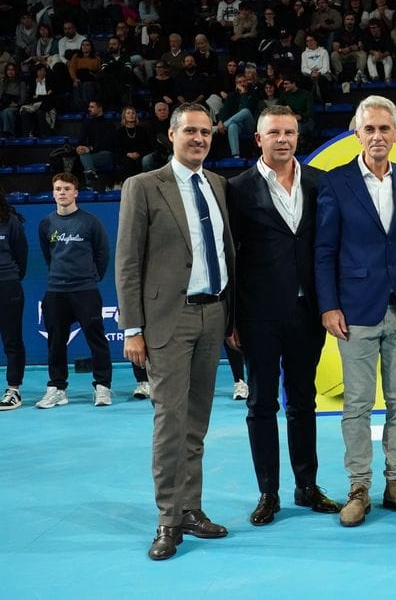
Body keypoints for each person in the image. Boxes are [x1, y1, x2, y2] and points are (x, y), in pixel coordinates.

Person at [116, 103, 235, 560]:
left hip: (213, 315)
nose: (199, 139)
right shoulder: (143, 186)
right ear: (171, 134)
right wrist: (132, 328)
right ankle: (167, 519)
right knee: (170, 423)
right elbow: (127, 263)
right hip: (168, 320)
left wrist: (231, 316)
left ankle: (191, 508)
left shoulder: (218, 185)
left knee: (196, 422)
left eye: (206, 132)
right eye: (191, 131)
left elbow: (226, 253)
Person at [314, 95, 396, 528]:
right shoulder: (335, 182)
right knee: (358, 404)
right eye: (369, 129)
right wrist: (329, 305)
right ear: (356, 133)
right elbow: (324, 250)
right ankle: (358, 488)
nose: (377, 136)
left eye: (385, 128)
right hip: (355, 312)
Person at [227, 105, 340, 526]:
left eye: (289, 132)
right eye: (273, 132)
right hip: (257, 315)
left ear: (298, 136)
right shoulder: (236, 189)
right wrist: (232, 318)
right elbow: (230, 256)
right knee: (260, 403)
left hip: (306, 313)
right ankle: (268, 492)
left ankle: (306, 486)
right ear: (258, 139)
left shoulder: (318, 182)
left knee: (304, 401)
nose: (282, 139)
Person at [37, 172, 112, 409]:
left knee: (96, 339)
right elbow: (49, 256)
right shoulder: (46, 224)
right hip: (56, 290)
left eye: (67, 188)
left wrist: (90, 278)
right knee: (56, 341)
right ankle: (57, 388)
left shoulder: (90, 222)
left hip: (86, 290)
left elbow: (102, 254)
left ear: (76, 192)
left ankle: (102, 387)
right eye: (58, 189)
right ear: (53, 193)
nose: (62, 193)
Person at [0, 189, 27, 411]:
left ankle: (13, 389)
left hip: (7, 285)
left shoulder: (10, 221)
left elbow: (22, 256)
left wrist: (10, 277)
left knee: (12, 340)